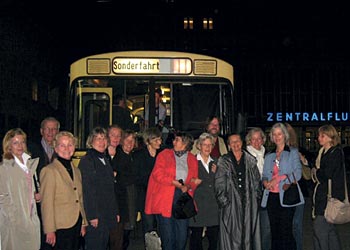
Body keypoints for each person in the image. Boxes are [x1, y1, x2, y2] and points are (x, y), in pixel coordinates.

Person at [145, 131, 201, 250]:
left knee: (182, 235)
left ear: (185, 143)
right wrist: (174, 183)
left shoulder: (192, 158)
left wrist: (189, 185)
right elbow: (157, 174)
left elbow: (193, 179)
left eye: (177, 140)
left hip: (182, 199)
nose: (173, 141)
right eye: (174, 139)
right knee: (168, 236)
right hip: (165, 198)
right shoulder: (165, 154)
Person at [40, 131, 87, 250]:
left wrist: (83, 222)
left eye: (70, 145)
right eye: (62, 145)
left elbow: (79, 199)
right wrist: (49, 230)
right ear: (55, 148)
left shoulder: (76, 171)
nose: (67, 148)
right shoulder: (49, 171)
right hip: (60, 226)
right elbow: (46, 203)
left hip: (76, 223)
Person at [261, 122, 304, 250]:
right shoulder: (269, 155)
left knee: (286, 232)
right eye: (274, 134)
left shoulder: (292, 152)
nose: (277, 137)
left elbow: (298, 173)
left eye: (279, 134)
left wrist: (279, 179)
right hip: (271, 198)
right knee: (275, 232)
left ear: (284, 135)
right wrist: (265, 182)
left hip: (287, 196)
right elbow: (264, 175)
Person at [215, 133, 262, 250]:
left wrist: (256, 198)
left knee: (248, 237)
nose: (235, 144)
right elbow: (219, 184)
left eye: (238, 141)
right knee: (231, 238)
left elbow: (257, 182)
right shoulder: (224, 161)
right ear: (229, 145)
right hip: (231, 205)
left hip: (249, 204)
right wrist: (225, 203)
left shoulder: (250, 160)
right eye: (232, 142)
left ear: (242, 143)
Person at [78, 127, 119, 250]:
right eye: (98, 138)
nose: (101, 142)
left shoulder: (104, 159)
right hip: (96, 214)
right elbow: (87, 190)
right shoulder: (87, 160)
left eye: (104, 138)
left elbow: (111, 190)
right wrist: (92, 215)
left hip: (106, 213)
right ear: (91, 141)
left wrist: (115, 211)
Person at [0, 128, 41, 250]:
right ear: (8, 146)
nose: (20, 145)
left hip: (31, 218)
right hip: (14, 222)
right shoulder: (4, 166)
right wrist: (14, 219)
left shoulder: (29, 163)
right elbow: (2, 196)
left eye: (22, 142)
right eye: (15, 142)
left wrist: (35, 194)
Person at [27, 116, 60, 250]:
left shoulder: (63, 150)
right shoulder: (30, 150)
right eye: (47, 129)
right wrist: (33, 192)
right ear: (41, 131)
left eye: (54, 129)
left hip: (57, 203)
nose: (51, 132)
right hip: (39, 204)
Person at [311, 124, 344, 250]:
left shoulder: (335, 153)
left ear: (330, 137)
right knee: (330, 232)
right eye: (319, 135)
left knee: (320, 231)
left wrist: (315, 171)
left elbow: (326, 174)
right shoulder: (323, 152)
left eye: (322, 135)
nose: (319, 138)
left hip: (328, 198)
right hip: (324, 197)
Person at [189, 132, 219, 250]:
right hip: (198, 205)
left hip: (213, 206)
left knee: (214, 239)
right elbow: (188, 181)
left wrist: (215, 174)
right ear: (199, 146)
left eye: (210, 145)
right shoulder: (192, 161)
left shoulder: (216, 161)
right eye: (204, 144)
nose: (207, 147)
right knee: (196, 239)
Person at [111, 129, 138, 250]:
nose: (130, 143)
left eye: (132, 141)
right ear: (122, 142)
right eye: (127, 140)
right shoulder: (118, 156)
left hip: (129, 194)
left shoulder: (131, 156)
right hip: (122, 197)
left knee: (127, 230)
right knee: (121, 232)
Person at [134, 127, 163, 238]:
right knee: (149, 225)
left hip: (160, 195)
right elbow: (137, 177)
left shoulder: (163, 154)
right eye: (155, 139)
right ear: (147, 141)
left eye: (160, 139)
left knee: (161, 225)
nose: (159, 142)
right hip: (146, 196)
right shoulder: (139, 155)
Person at [245, 127, 270, 250]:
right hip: (250, 197)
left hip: (266, 194)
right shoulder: (244, 155)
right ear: (249, 140)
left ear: (263, 140)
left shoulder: (268, 154)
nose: (256, 142)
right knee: (251, 229)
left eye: (258, 138)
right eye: (253, 139)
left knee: (266, 228)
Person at [285, 122, 307, 250]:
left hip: (297, 191)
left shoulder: (297, 151)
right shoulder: (275, 152)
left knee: (296, 224)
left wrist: (303, 160)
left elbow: (305, 171)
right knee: (287, 225)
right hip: (283, 191)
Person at [106, 124, 124, 250]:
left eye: (118, 135)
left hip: (119, 202)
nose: (116, 138)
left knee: (117, 240)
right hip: (104, 203)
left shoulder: (123, 154)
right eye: (113, 135)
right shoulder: (100, 154)